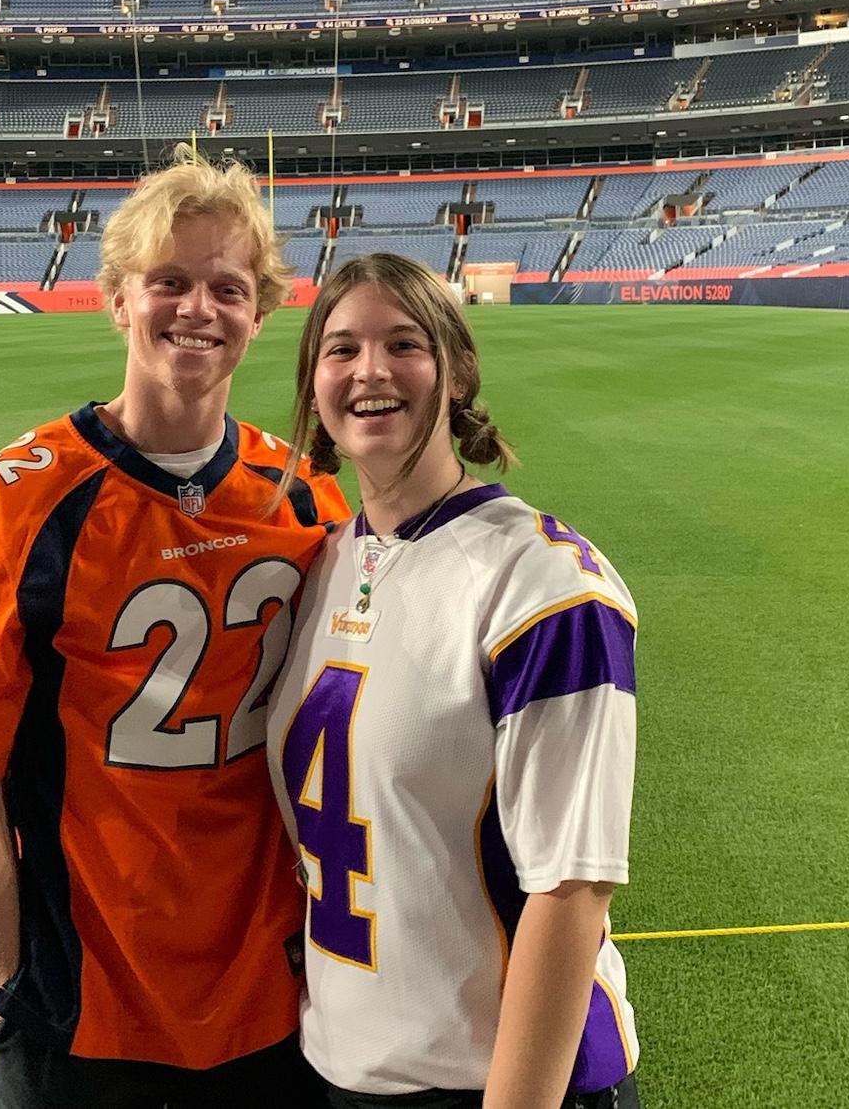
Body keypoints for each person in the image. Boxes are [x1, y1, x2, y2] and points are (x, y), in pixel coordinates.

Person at [0, 147, 348, 1109]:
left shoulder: (305, 498)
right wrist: (3, 997)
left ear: (261, 312)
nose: (198, 310)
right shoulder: (4, 509)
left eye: (227, 288)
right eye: (170, 282)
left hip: (275, 996)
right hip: (85, 1005)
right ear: (117, 299)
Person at [266, 252, 641, 1109]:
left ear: (458, 369)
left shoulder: (544, 586)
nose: (370, 371)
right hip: (341, 1070)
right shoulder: (327, 563)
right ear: (313, 383)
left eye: (404, 343)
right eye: (340, 348)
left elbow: (572, 890)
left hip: (494, 1085)